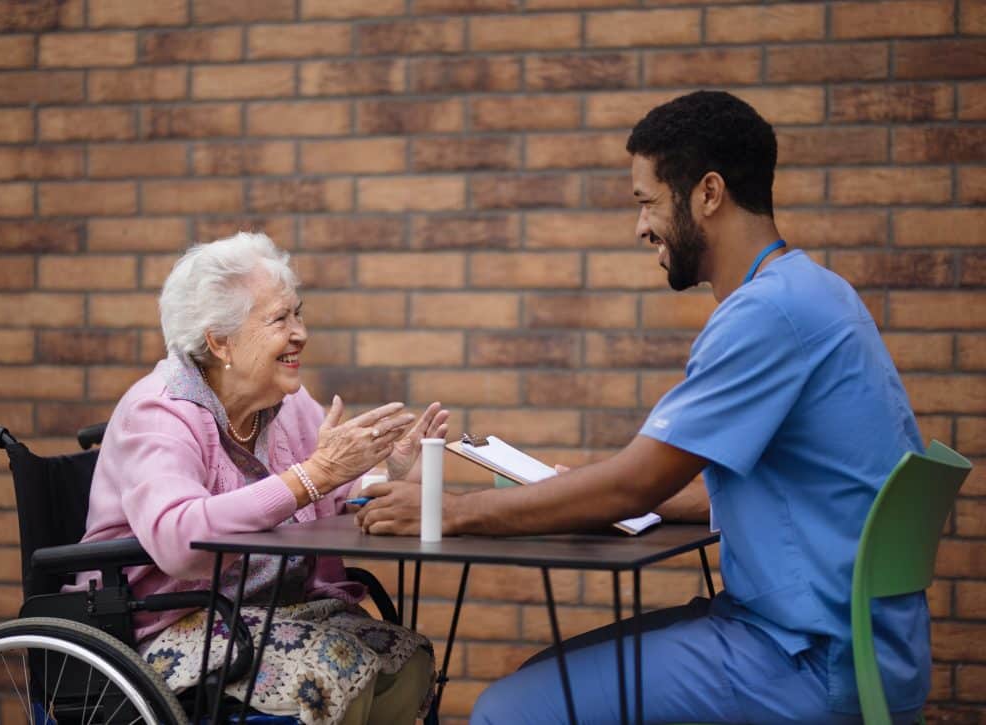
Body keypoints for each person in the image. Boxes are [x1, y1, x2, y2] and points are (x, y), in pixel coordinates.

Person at [356, 91, 929, 724]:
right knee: (541, 682)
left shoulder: (766, 314)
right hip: (860, 648)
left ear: (707, 194)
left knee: (508, 712)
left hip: (808, 659)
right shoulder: (818, 293)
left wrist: (450, 511)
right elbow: (721, 490)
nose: (641, 227)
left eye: (647, 201)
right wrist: (573, 488)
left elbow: (637, 483)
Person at [74, 232, 448, 725]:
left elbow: (330, 494)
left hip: (276, 610)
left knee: (408, 656)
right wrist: (309, 476)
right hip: (166, 622)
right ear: (220, 341)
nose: (300, 333)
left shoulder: (286, 402)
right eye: (279, 319)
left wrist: (388, 475)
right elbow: (179, 542)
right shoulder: (160, 411)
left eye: (299, 313)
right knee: (338, 667)